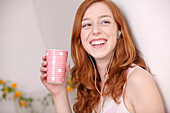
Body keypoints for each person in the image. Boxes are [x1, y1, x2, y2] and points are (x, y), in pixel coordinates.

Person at [40, 0, 165, 113]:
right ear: (80, 37)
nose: (95, 31)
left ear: (119, 31)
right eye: (87, 25)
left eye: (105, 22)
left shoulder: (136, 79)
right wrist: (59, 93)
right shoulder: (92, 89)